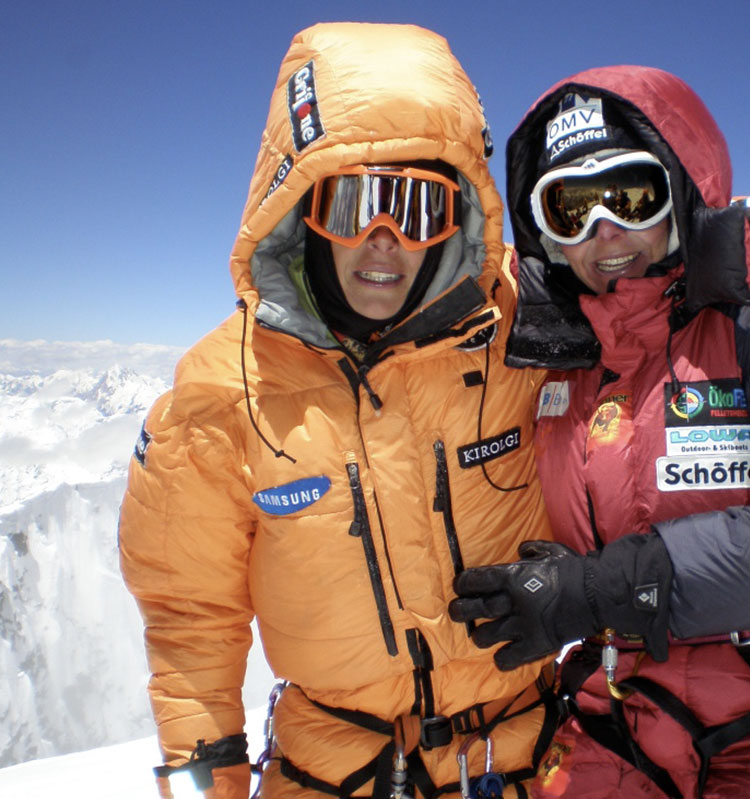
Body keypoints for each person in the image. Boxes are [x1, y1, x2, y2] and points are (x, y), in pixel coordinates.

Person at [449, 67, 750, 799]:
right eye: (570, 207)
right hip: (612, 715)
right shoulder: (551, 359)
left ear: (680, 191)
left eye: (631, 196)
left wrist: (600, 590)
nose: (603, 232)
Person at [118, 23, 560, 799]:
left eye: (417, 209)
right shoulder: (224, 394)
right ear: (301, 208)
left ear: (458, 219)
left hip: (528, 761)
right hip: (333, 774)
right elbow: (192, 620)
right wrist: (201, 786)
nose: (384, 241)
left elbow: (655, 347)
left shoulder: (523, 337)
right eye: (354, 204)